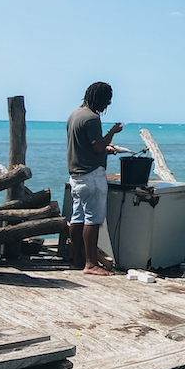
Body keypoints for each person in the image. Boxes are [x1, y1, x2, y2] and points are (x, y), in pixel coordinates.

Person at [67, 82, 124, 275]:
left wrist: (104, 147)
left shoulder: (75, 115)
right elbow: (97, 146)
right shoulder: (92, 118)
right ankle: (90, 264)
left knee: (77, 217)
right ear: (99, 98)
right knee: (93, 218)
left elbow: (86, 145)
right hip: (91, 175)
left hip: (76, 175)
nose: (107, 104)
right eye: (107, 100)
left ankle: (77, 260)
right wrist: (112, 133)